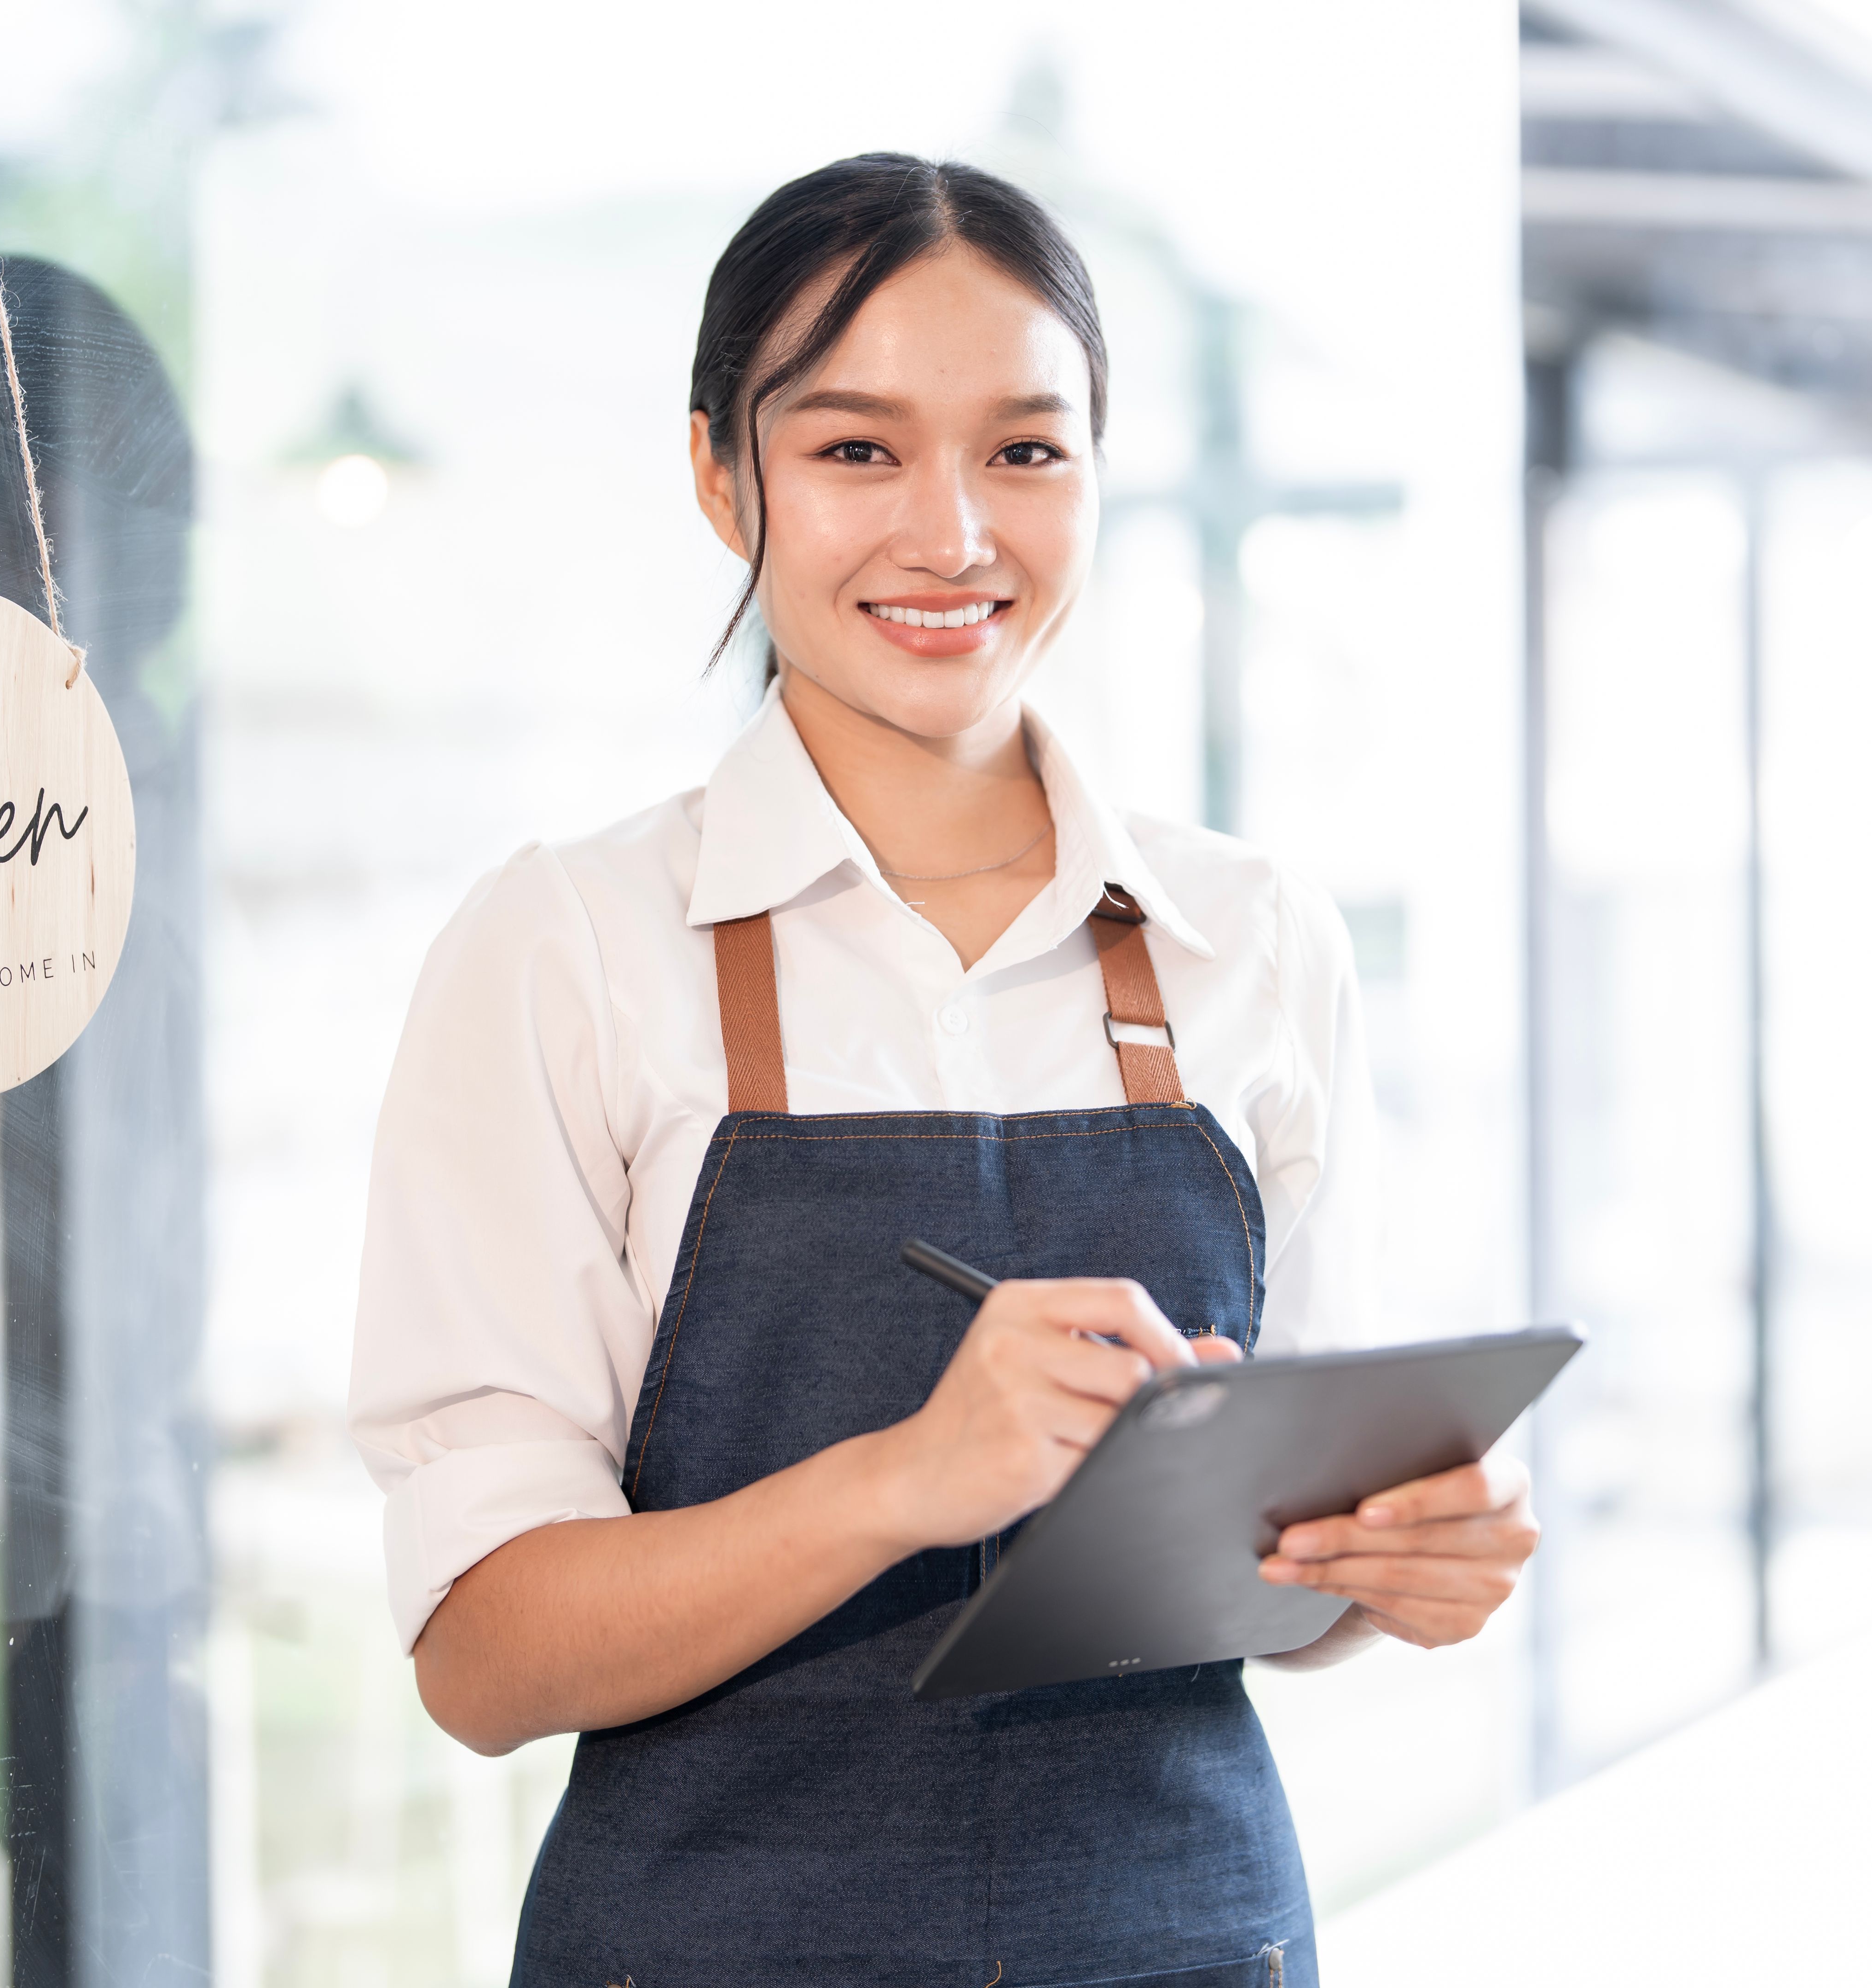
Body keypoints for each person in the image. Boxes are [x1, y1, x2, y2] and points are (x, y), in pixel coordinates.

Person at [352, 152, 1540, 1988]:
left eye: (1026, 451)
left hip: (1187, 1943)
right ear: (718, 471)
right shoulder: (569, 948)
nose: (953, 534)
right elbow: (483, 1657)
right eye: (854, 451)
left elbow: (1286, 1568)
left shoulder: (1255, 939)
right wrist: (907, 1479)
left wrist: (1393, 1570)